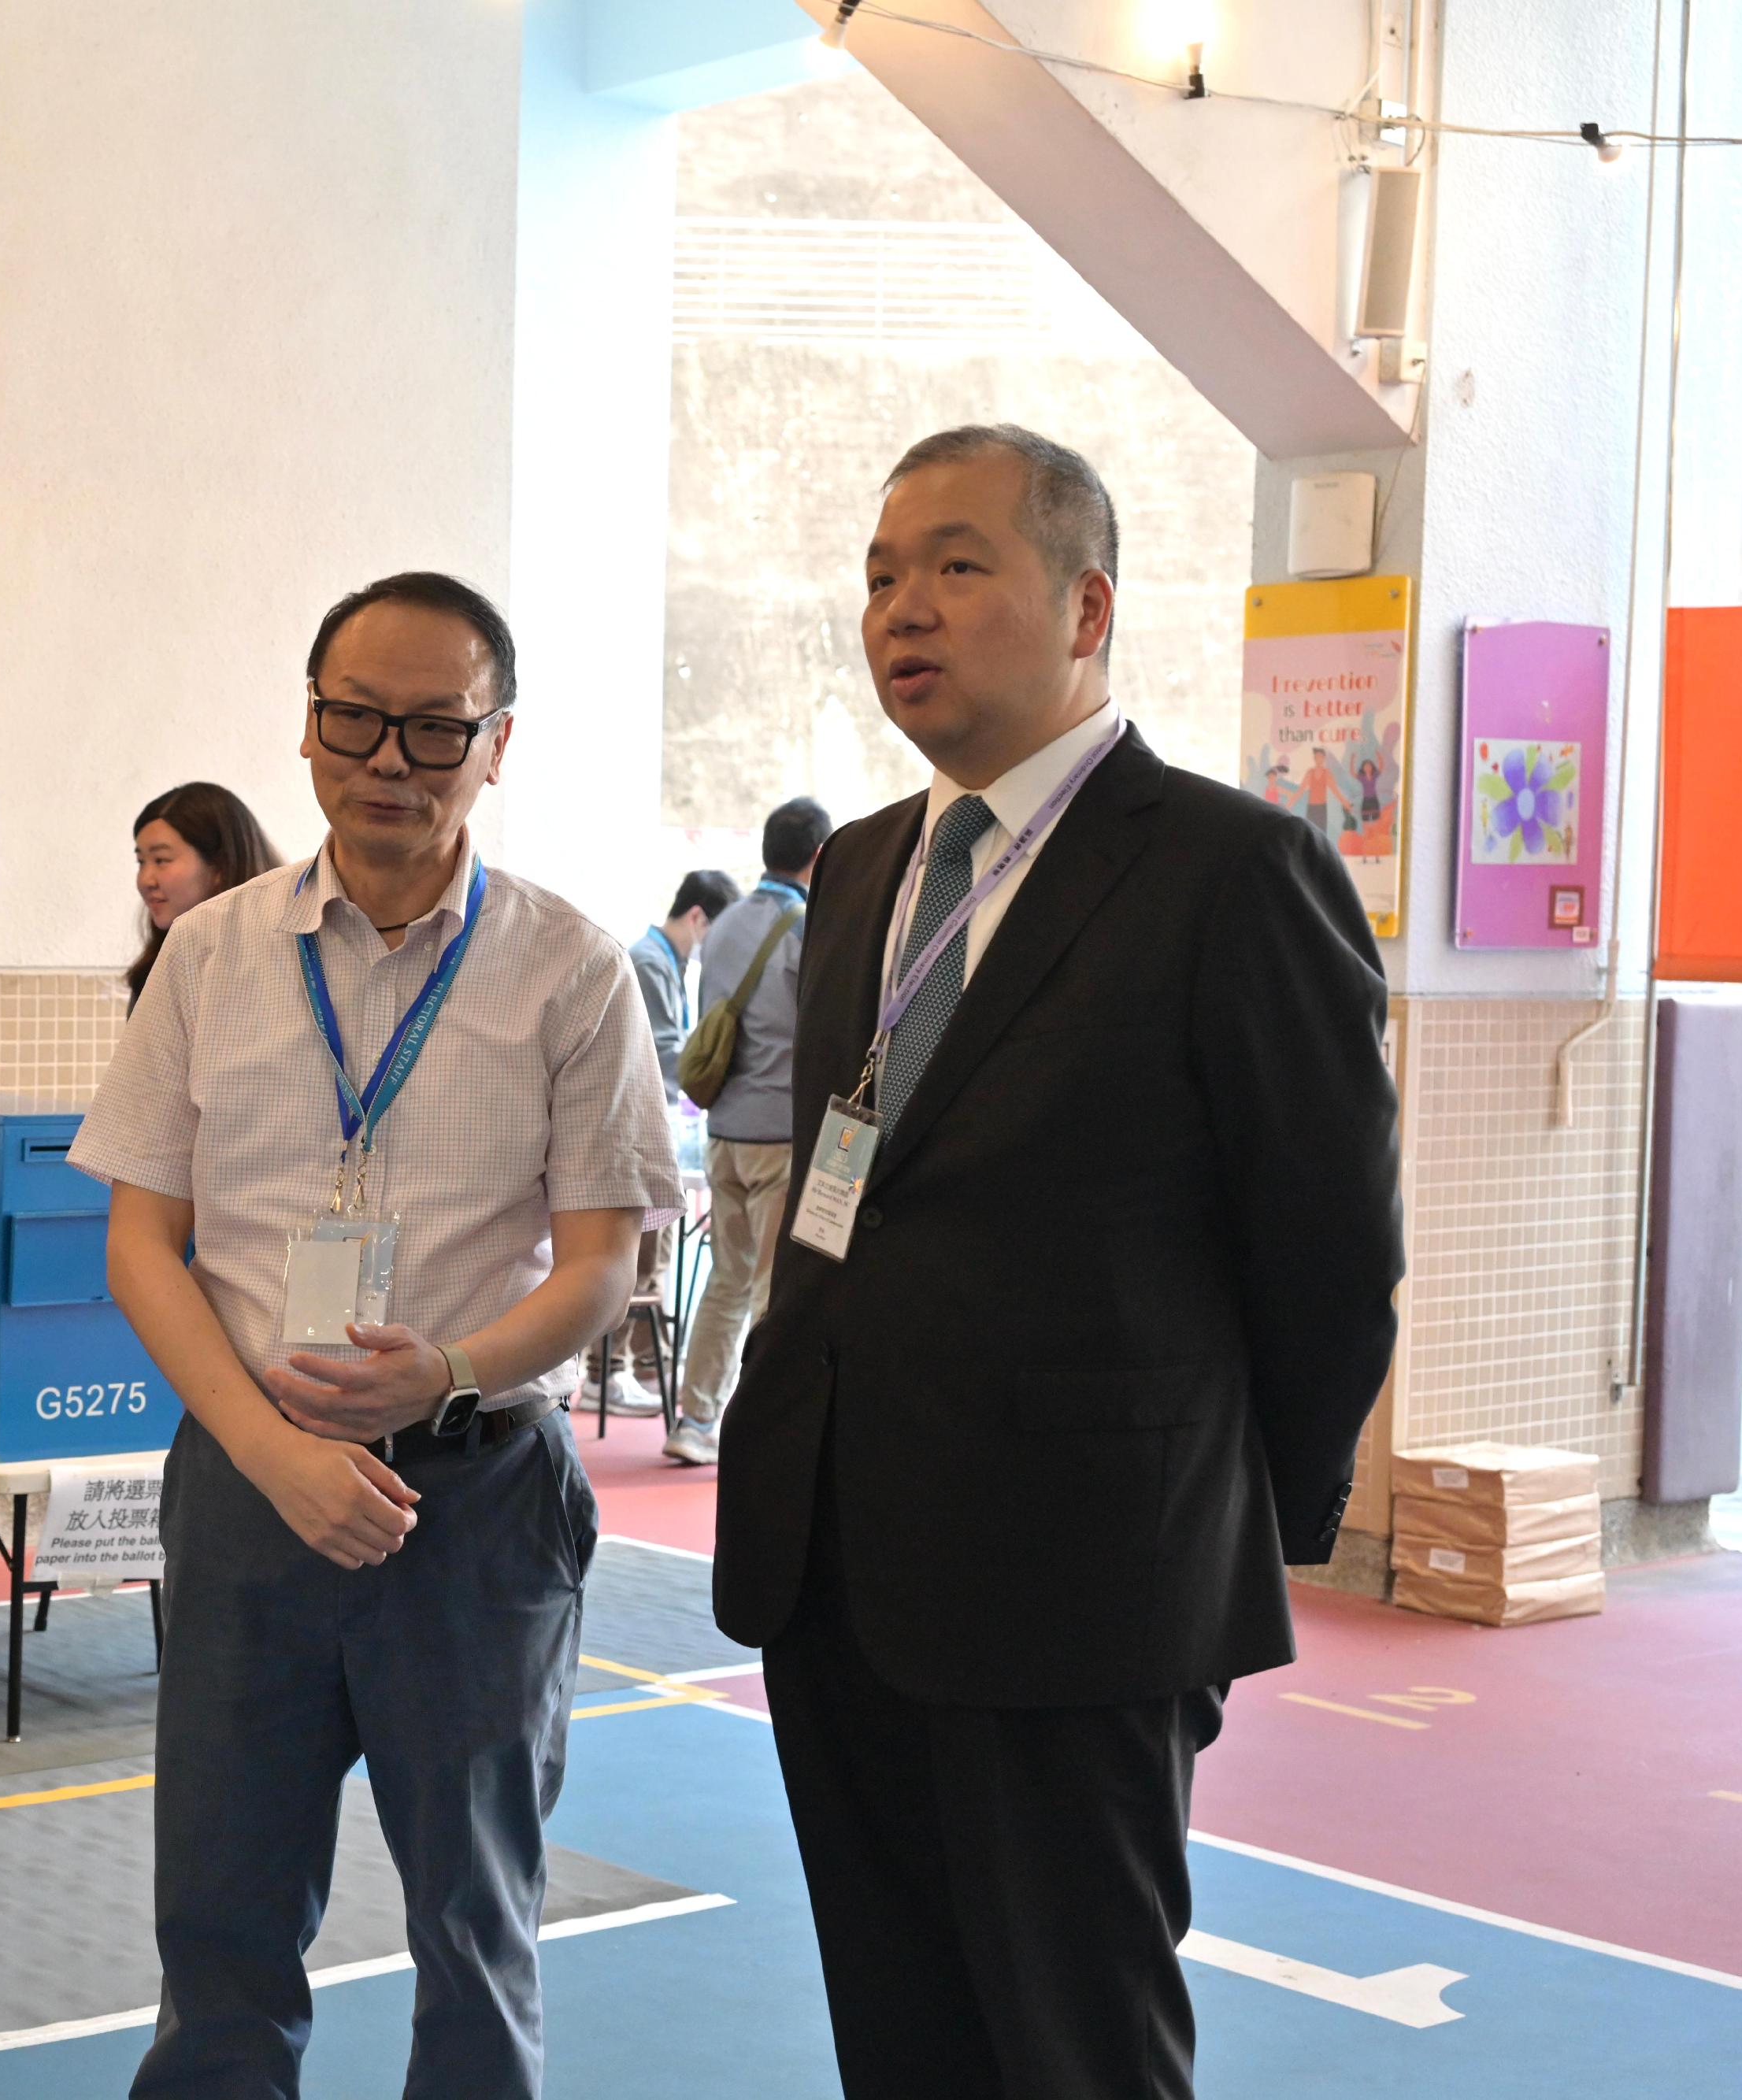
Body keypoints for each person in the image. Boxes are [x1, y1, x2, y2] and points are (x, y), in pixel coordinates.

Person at [713, 425, 1402, 2099]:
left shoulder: (1230, 873)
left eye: (955, 565)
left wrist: (1222, 1536)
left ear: (1084, 605)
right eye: (879, 575)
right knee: (899, 2029)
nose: (902, 610)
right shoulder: (867, 864)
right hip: (835, 1564)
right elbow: (848, 1189)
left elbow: (1326, 1258)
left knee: (1074, 2045)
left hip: (1081, 1585)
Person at [72, 571, 680, 2098]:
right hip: (244, 1490)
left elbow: (604, 1262)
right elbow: (144, 1244)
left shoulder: (567, 966)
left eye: (432, 727)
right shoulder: (209, 955)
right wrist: (273, 1454)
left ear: (497, 743)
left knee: (474, 1930)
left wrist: (454, 1368)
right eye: (354, 718)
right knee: (216, 1928)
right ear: (304, 723)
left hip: (473, 1500)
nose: (386, 760)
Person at [665, 798, 832, 1466]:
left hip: (723, 1131)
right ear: (819, 856)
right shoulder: (806, 927)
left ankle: (695, 1418)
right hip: (781, 1137)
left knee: (725, 1283)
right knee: (771, 1287)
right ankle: (765, 1431)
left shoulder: (726, 923)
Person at [580, 869, 734, 1418]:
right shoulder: (650, 961)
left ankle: (637, 1365)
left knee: (656, 1259)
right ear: (698, 917)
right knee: (640, 1261)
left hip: (654, 1129)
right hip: (639, 1134)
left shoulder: (660, 959)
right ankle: (609, 1372)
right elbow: (668, 1053)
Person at [126, 781, 281, 1009]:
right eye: (141, 862)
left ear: (219, 866)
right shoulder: (153, 969)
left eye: (161, 860)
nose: (144, 880)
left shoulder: (280, 963)